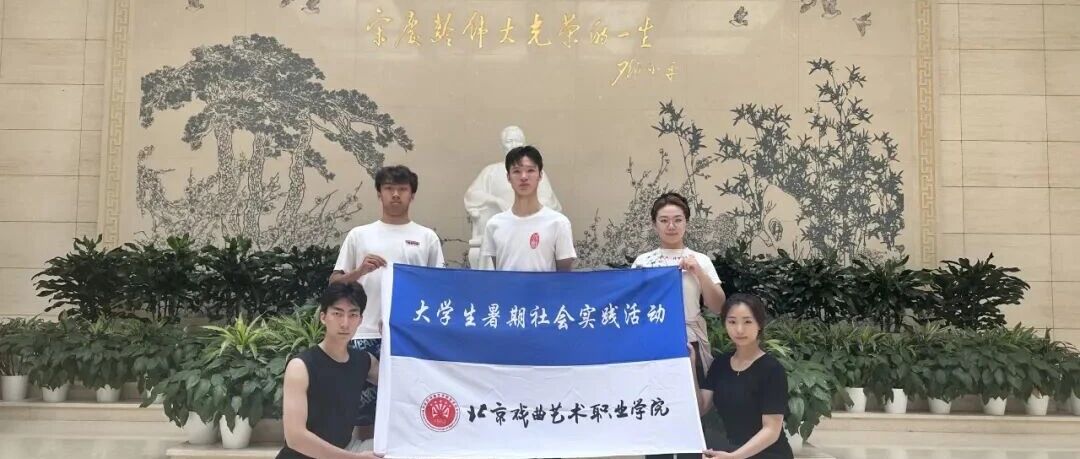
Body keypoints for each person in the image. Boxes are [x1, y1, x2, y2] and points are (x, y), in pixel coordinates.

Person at [329, 165, 445, 438]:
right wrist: (359, 271)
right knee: (364, 412)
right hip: (365, 333)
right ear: (379, 193)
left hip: (409, 336)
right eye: (389, 188)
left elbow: (437, 288)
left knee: (411, 406)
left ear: (412, 195)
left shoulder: (426, 237)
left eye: (402, 189)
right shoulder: (359, 235)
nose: (395, 194)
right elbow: (334, 284)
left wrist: (404, 319)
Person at [632, 192, 726, 459]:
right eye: (664, 220)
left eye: (677, 219)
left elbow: (718, 306)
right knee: (657, 411)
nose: (671, 226)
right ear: (654, 224)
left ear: (686, 222)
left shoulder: (700, 259)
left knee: (691, 412)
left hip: (689, 342)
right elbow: (633, 306)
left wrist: (698, 272)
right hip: (654, 345)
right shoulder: (643, 262)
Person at [278, 283, 382, 459]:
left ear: (360, 320)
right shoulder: (300, 367)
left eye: (353, 315)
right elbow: (295, 438)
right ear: (323, 317)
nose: (345, 323)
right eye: (337, 314)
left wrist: (393, 334)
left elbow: (401, 384)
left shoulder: (364, 361)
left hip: (344, 450)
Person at [700, 294, 793, 459]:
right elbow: (701, 408)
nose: (739, 330)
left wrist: (735, 457)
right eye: (732, 322)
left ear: (760, 324)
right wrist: (690, 362)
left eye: (747, 322)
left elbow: (771, 430)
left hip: (769, 454)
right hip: (730, 451)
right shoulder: (720, 364)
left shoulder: (772, 369)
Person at [465, 126, 562, 269]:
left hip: (533, 226)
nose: (513, 145)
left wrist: (528, 214)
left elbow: (547, 200)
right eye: (509, 141)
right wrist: (496, 201)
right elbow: (472, 194)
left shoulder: (534, 174)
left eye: (517, 141)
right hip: (501, 227)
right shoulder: (491, 171)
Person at [479, 145, 575, 272]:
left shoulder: (558, 223)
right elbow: (499, 273)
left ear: (540, 175)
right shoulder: (494, 224)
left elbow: (565, 277)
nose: (523, 177)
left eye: (530, 170)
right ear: (508, 177)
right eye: (516, 171)